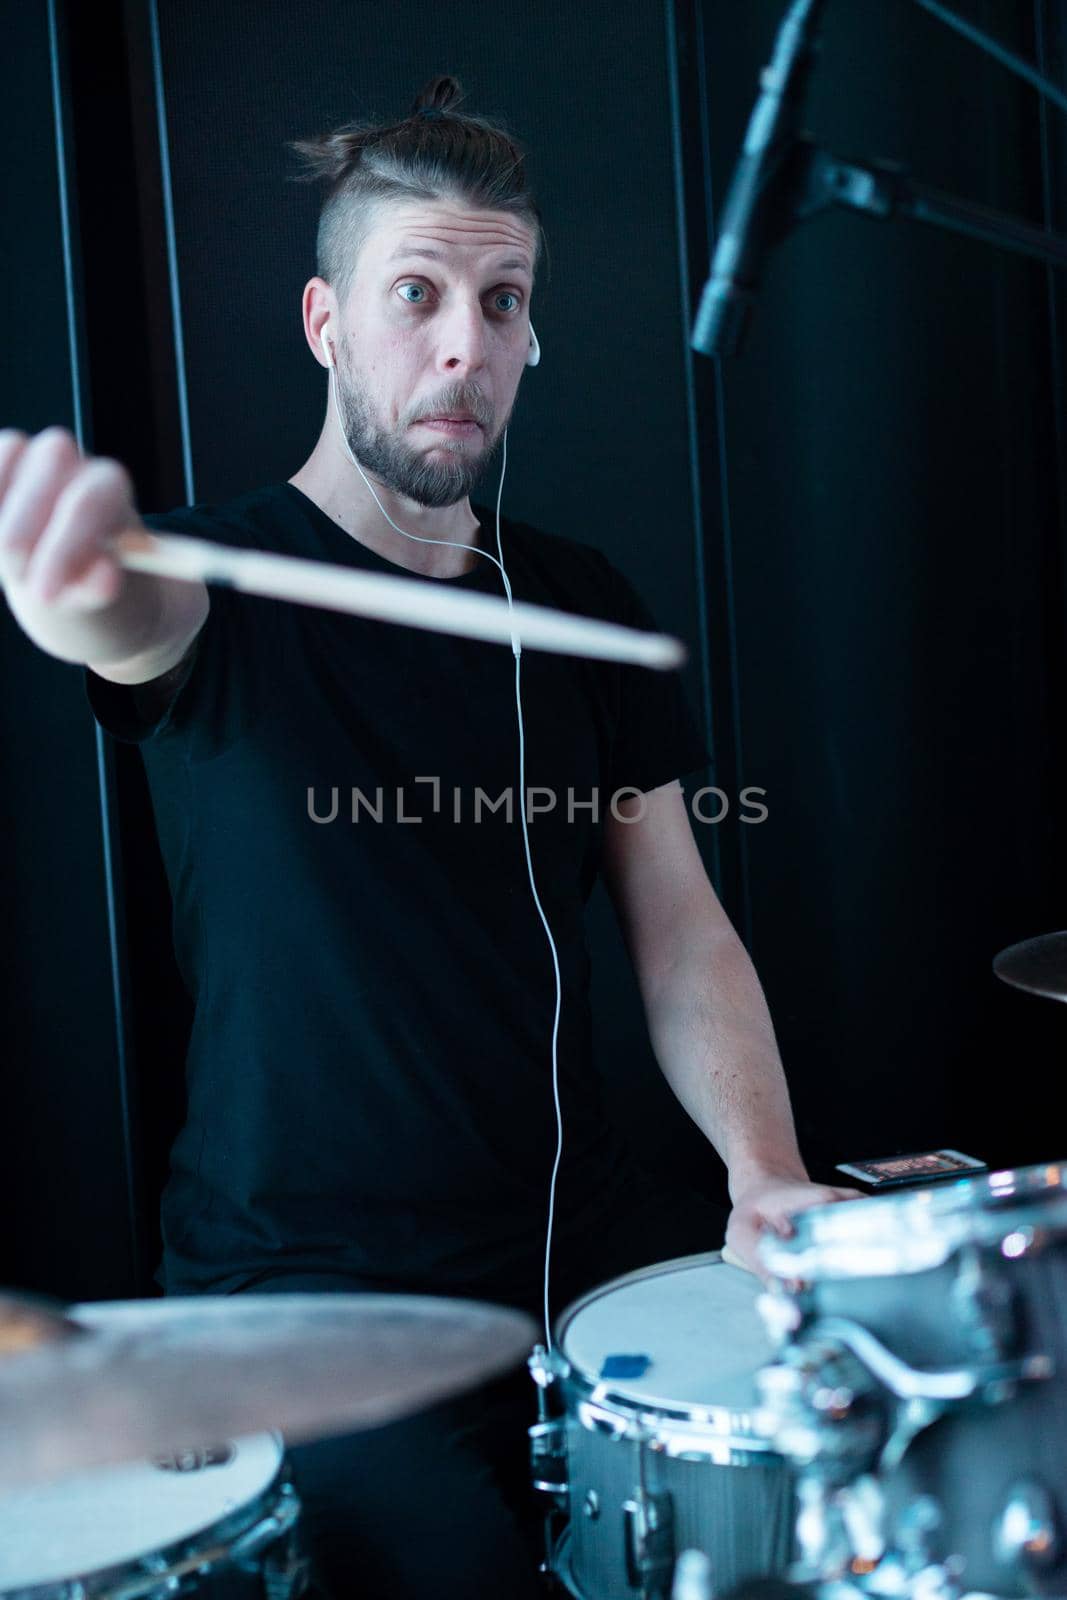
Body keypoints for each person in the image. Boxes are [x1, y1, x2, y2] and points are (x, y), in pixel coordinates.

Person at [0, 75, 856, 1600]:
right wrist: (62, 582)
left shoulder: (584, 605)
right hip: (298, 1300)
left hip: (581, 1265)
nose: (465, 341)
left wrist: (764, 1168)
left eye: (502, 300)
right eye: (417, 294)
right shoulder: (213, 574)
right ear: (328, 323)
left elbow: (680, 932)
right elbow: (114, 619)